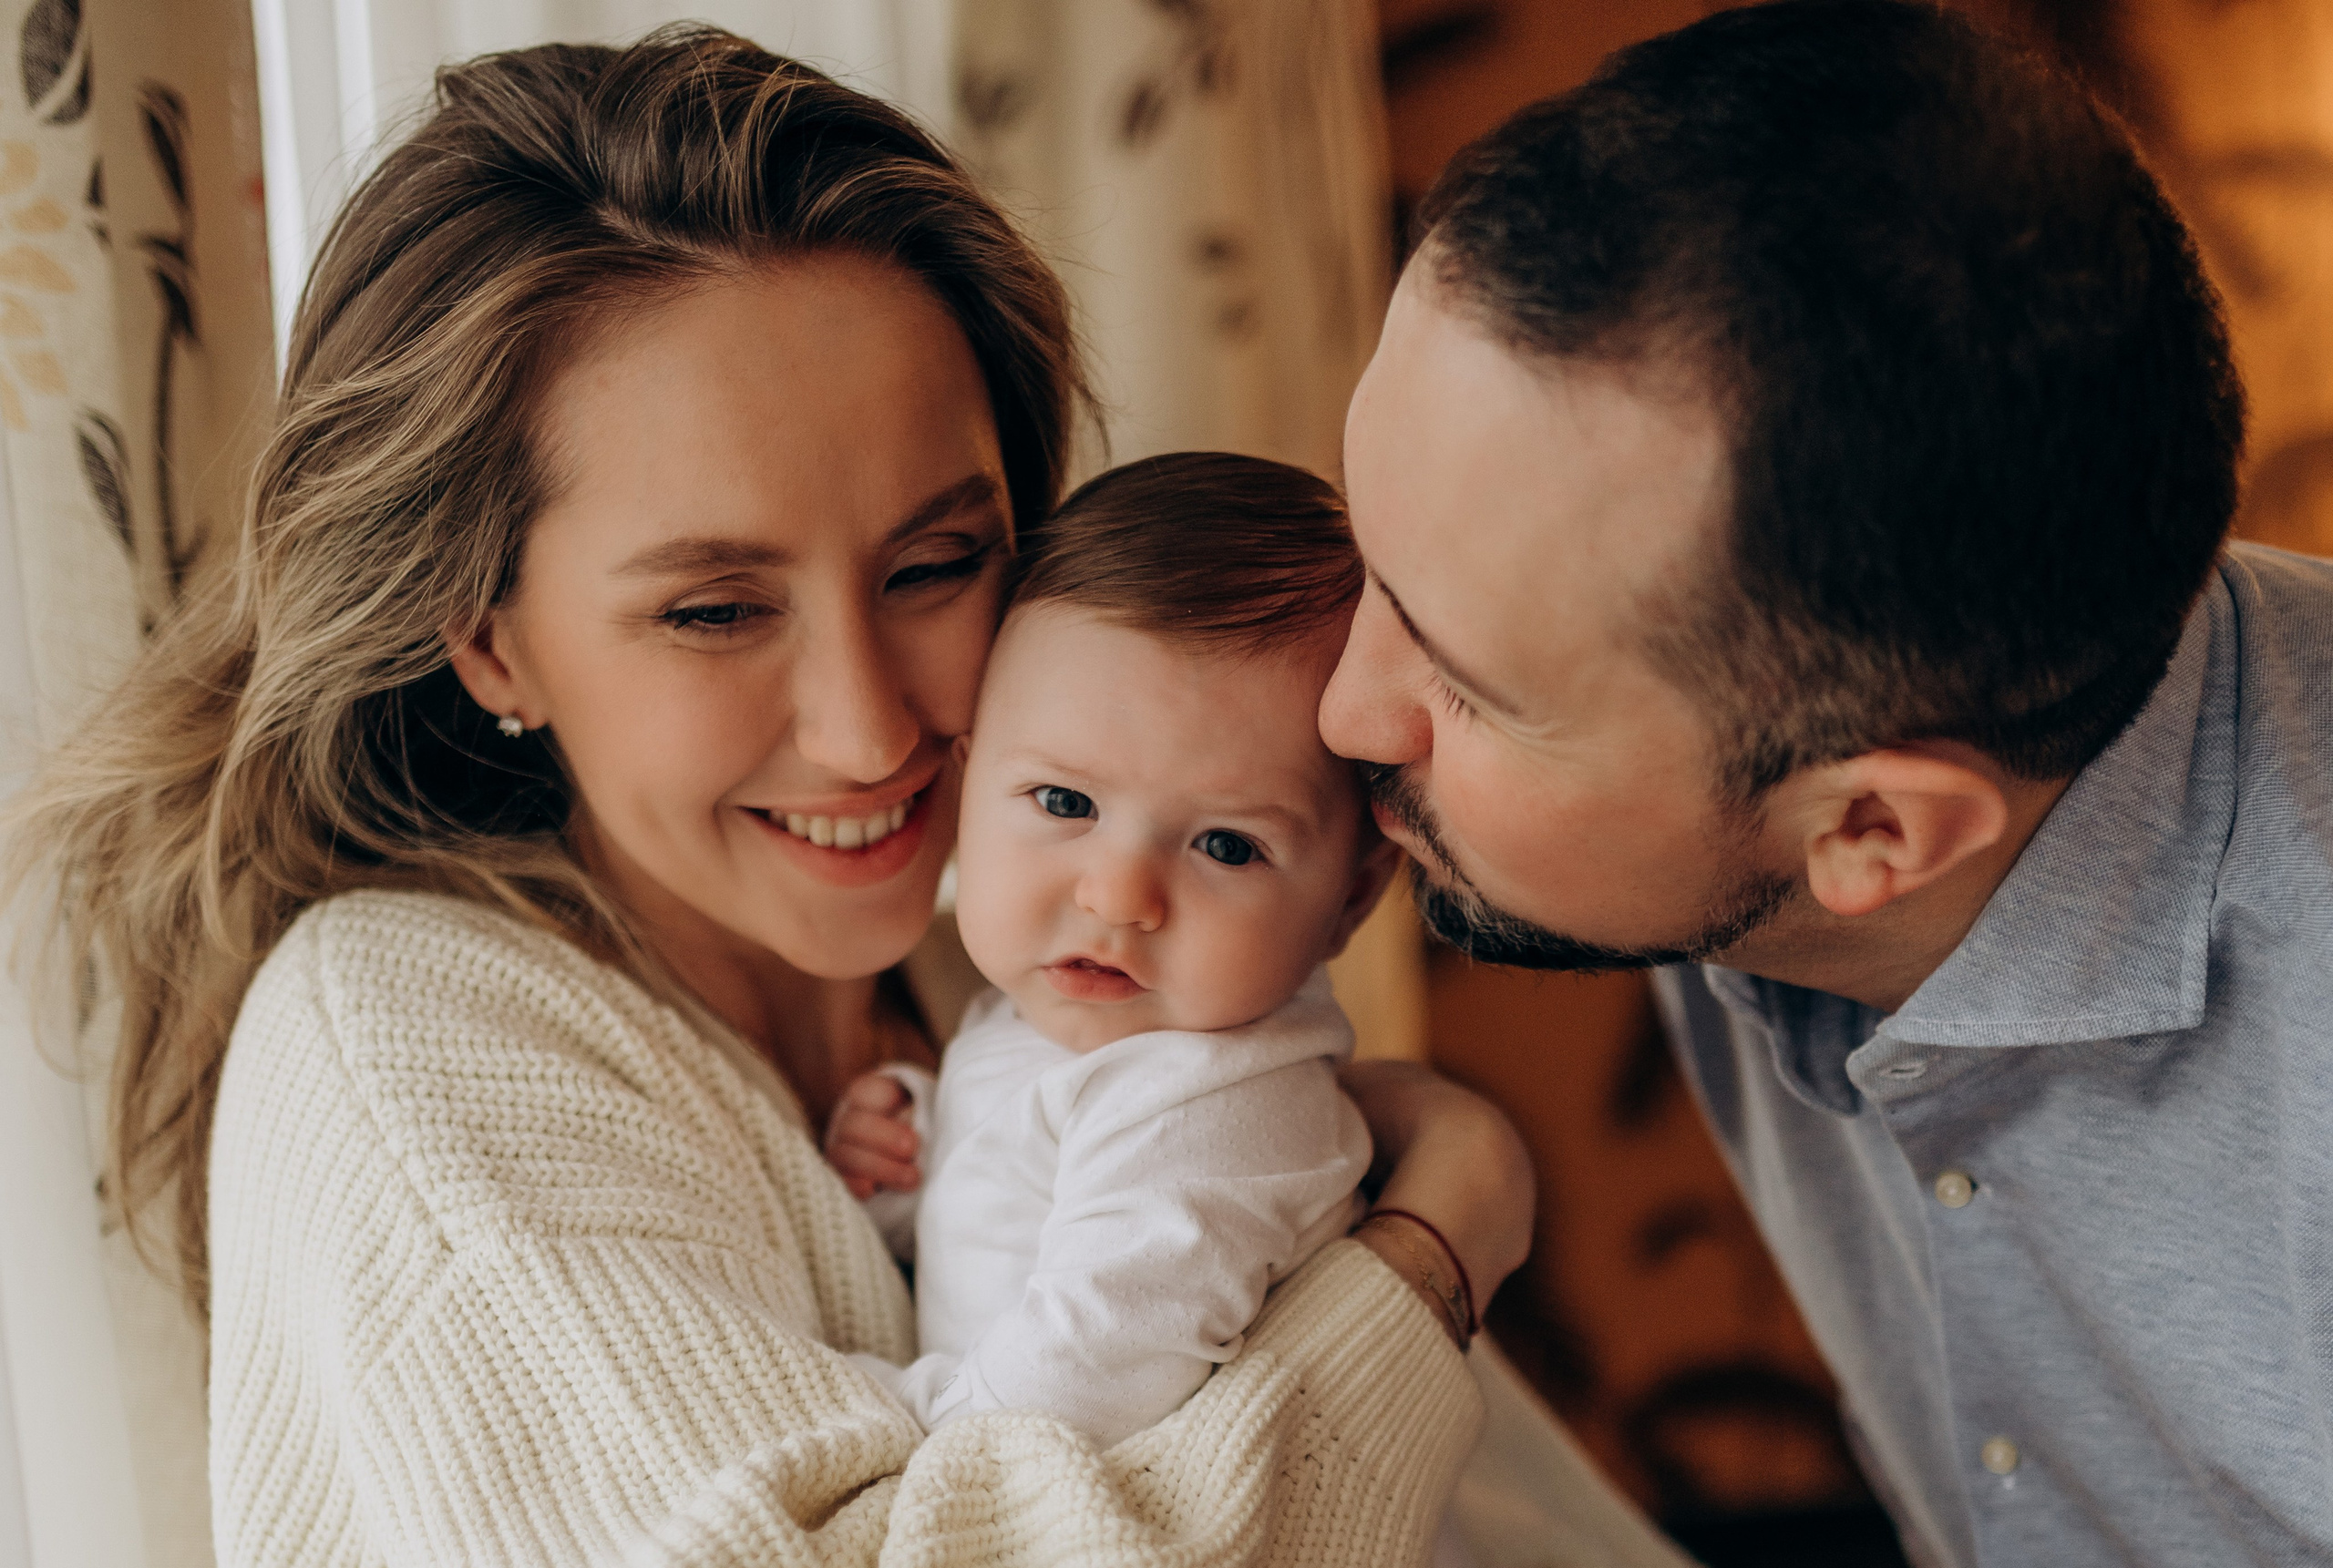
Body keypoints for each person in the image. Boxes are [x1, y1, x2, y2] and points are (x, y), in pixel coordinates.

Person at [9, 28, 1537, 1567]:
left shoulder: (1000, 971)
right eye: (715, 610)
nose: (871, 730)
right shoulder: (404, 1052)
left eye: (936, 566)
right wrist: (1435, 1244)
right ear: (487, 639)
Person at [1320, 3, 2331, 1565]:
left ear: (1875, 831)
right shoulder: (1773, 768)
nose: (1342, 710)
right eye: (1368, 561)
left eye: (1462, 685)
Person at [826, 454, 1482, 1449]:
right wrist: (911, 1167)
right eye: (1064, 802)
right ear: (964, 787)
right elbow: (1023, 1218)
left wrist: (858, 1414)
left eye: (1226, 845)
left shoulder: (1218, 1105)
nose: (1119, 895)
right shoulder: (1058, 1026)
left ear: (1350, 895)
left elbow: (1074, 1385)